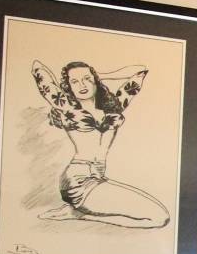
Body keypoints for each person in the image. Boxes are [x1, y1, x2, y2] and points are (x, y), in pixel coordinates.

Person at [30, 60, 170, 229]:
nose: (82, 85)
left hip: (98, 178)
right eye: (74, 81)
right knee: (158, 218)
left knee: (161, 218)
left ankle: (76, 213)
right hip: (78, 180)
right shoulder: (66, 106)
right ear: (68, 86)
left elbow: (141, 69)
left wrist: (99, 76)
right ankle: (79, 215)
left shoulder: (114, 107)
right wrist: (84, 78)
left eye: (87, 79)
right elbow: (37, 67)